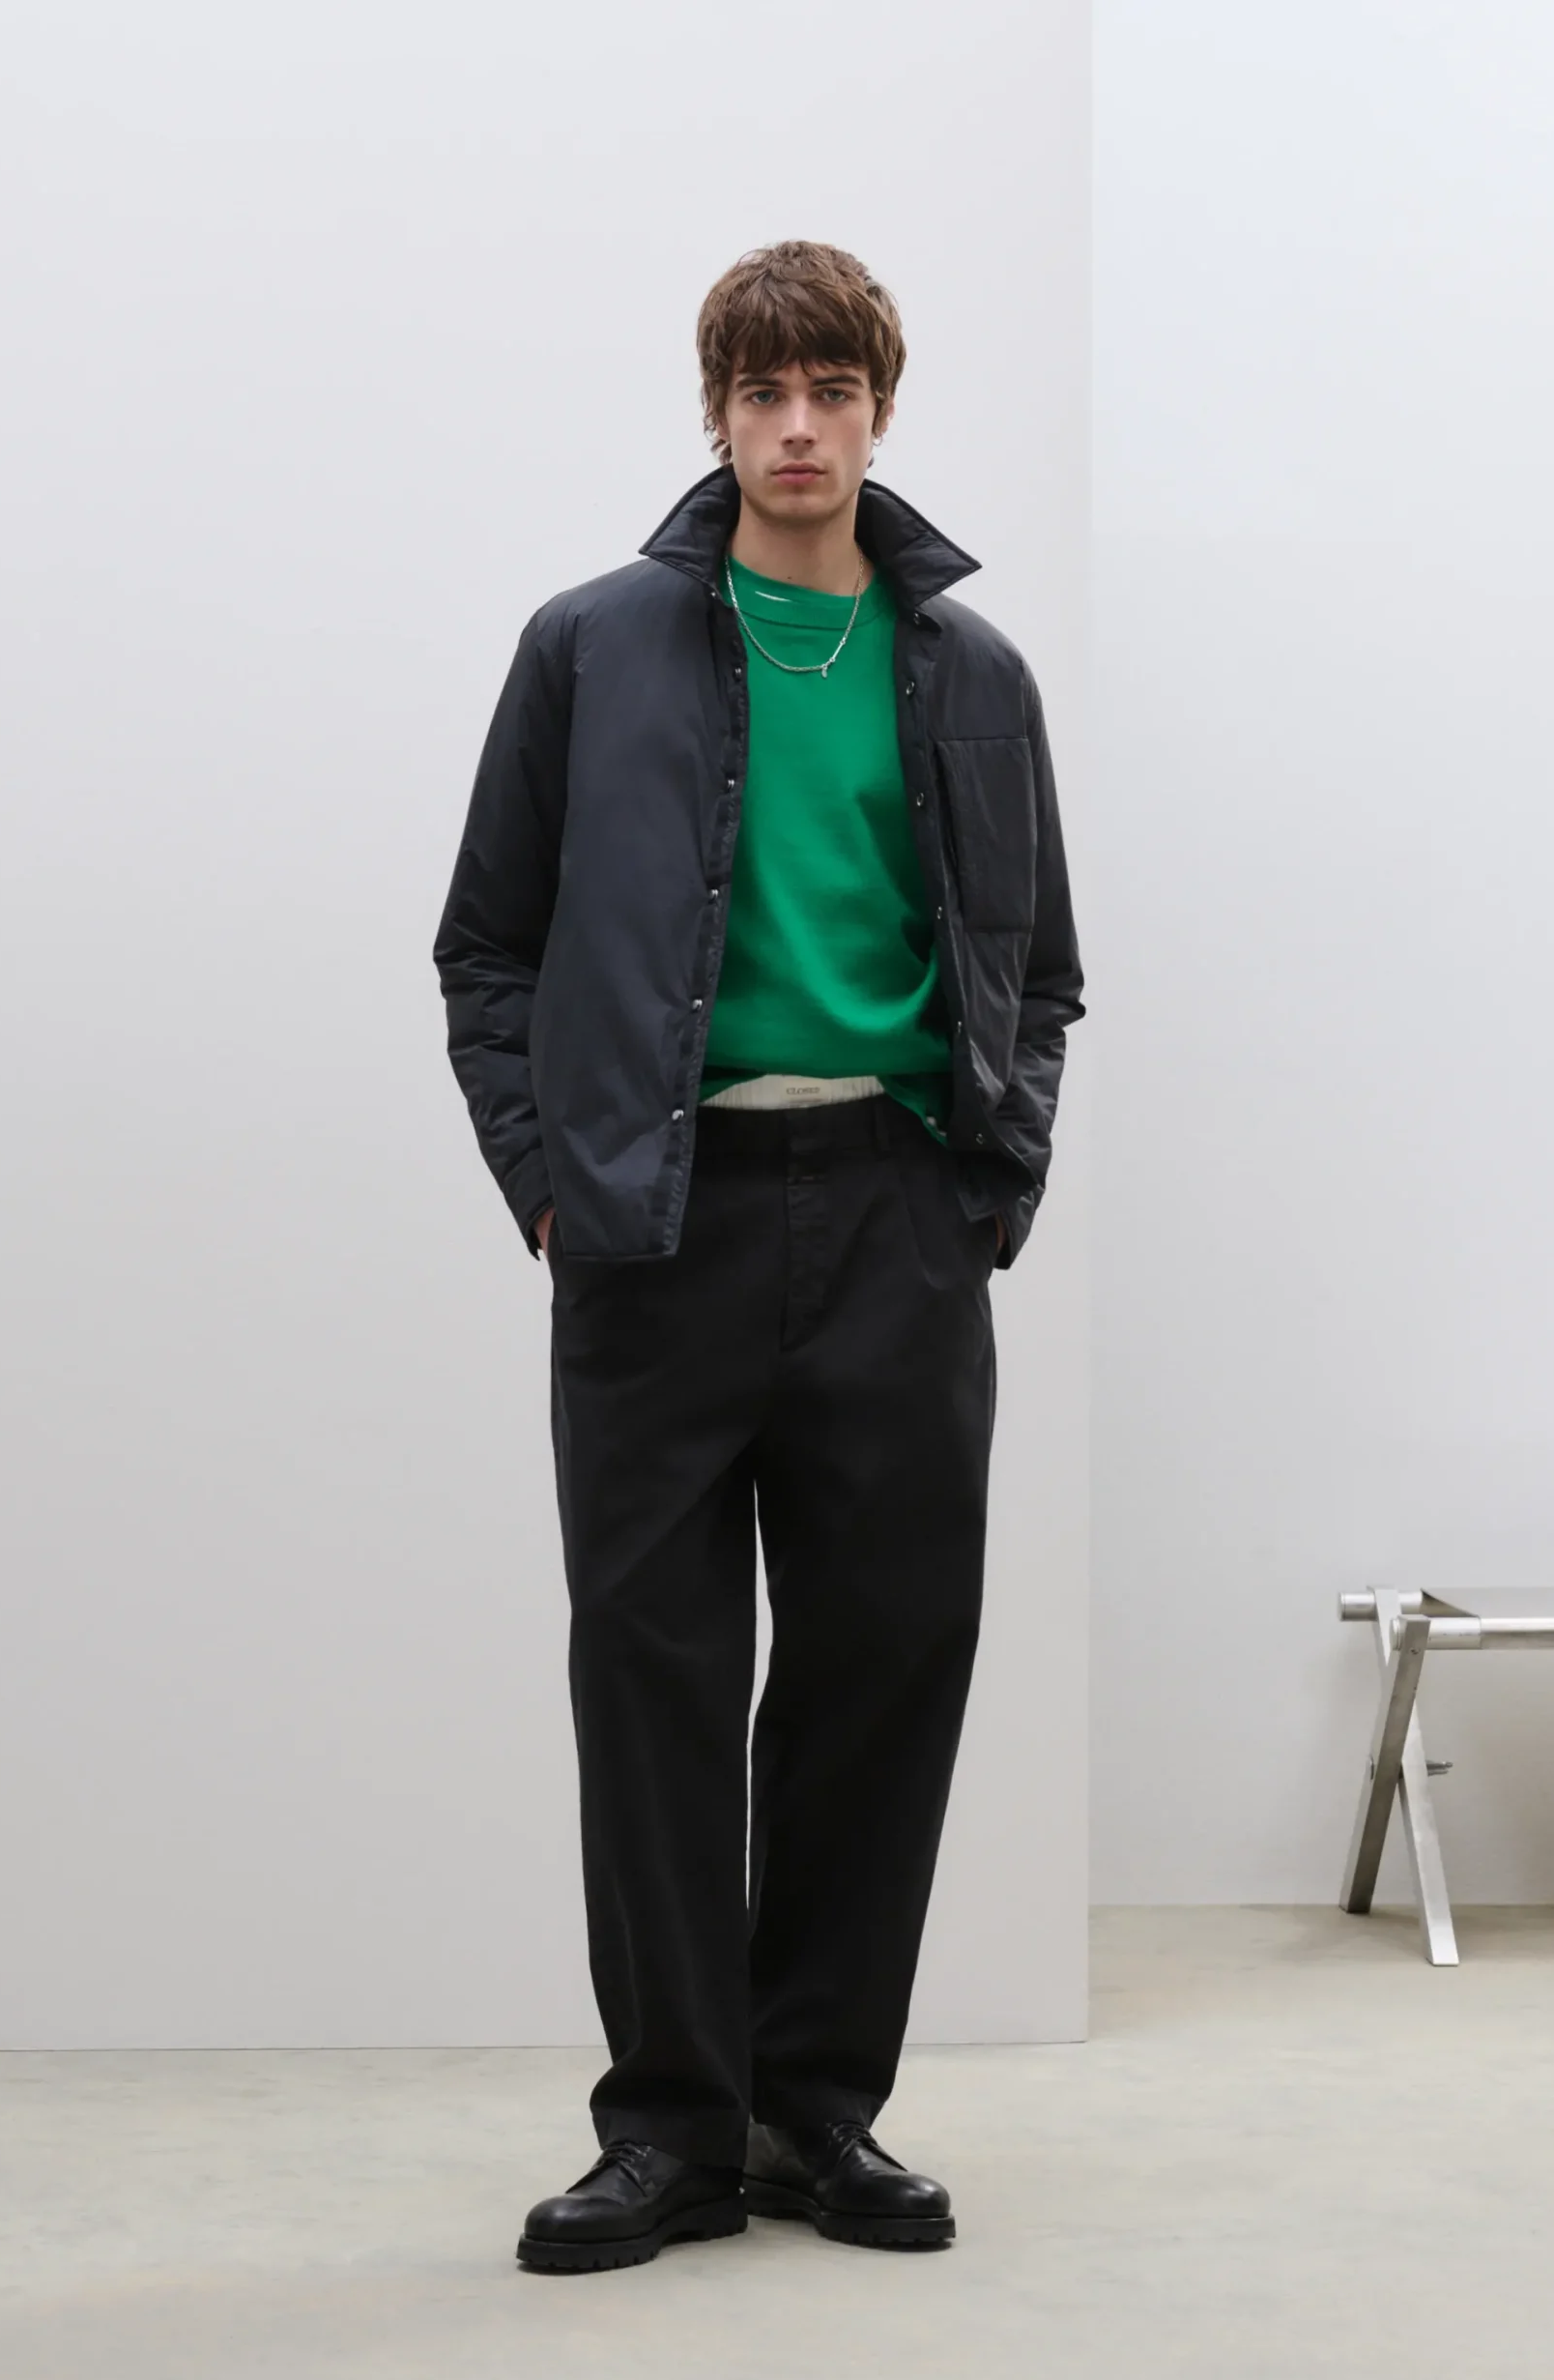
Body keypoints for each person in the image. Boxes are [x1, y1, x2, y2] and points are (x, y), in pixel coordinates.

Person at [434, 240, 1083, 2274]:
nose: (798, 428)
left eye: (832, 391)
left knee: (883, 1668)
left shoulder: (973, 672)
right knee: (654, 1674)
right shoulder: (590, 646)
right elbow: (486, 948)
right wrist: (551, 1181)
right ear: (714, 411)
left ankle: (817, 2112)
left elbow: (1041, 969)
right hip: (658, 1222)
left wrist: (988, 1185)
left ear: (879, 407)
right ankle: (668, 2132)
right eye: (762, 392)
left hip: (898, 1220)